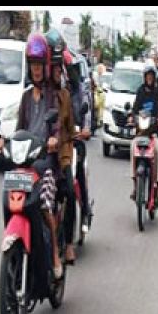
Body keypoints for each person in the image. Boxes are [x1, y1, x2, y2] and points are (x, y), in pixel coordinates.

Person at [0, 33, 70, 280]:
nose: (36, 70)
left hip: (46, 164)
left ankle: (55, 256)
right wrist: (4, 141)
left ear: (45, 67)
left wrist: (54, 140)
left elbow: (58, 126)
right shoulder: (26, 97)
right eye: (33, 65)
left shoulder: (53, 96)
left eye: (40, 65)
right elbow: (19, 128)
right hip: (25, 164)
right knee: (10, 201)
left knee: (45, 205)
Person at [44, 31, 80, 266]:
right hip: (39, 156)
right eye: (54, 68)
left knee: (68, 190)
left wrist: (76, 134)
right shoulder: (35, 95)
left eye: (60, 68)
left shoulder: (66, 95)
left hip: (63, 155)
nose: (58, 72)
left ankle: (67, 244)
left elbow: (70, 126)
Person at [64, 51, 94, 237]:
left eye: (68, 70)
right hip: (58, 145)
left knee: (78, 176)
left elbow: (87, 112)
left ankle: (84, 212)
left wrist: (85, 129)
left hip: (75, 142)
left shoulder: (80, 92)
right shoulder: (53, 92)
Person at [128, 64, 158, 207]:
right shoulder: (140, 91)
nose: (149, 78)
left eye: (151, 76)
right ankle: (135, 186)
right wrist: (132, 117)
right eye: (147, 76)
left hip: (152, 132)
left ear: (154, 78)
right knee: (132, 147)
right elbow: (135, 108)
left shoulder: (156, 92)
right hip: (140, 132)